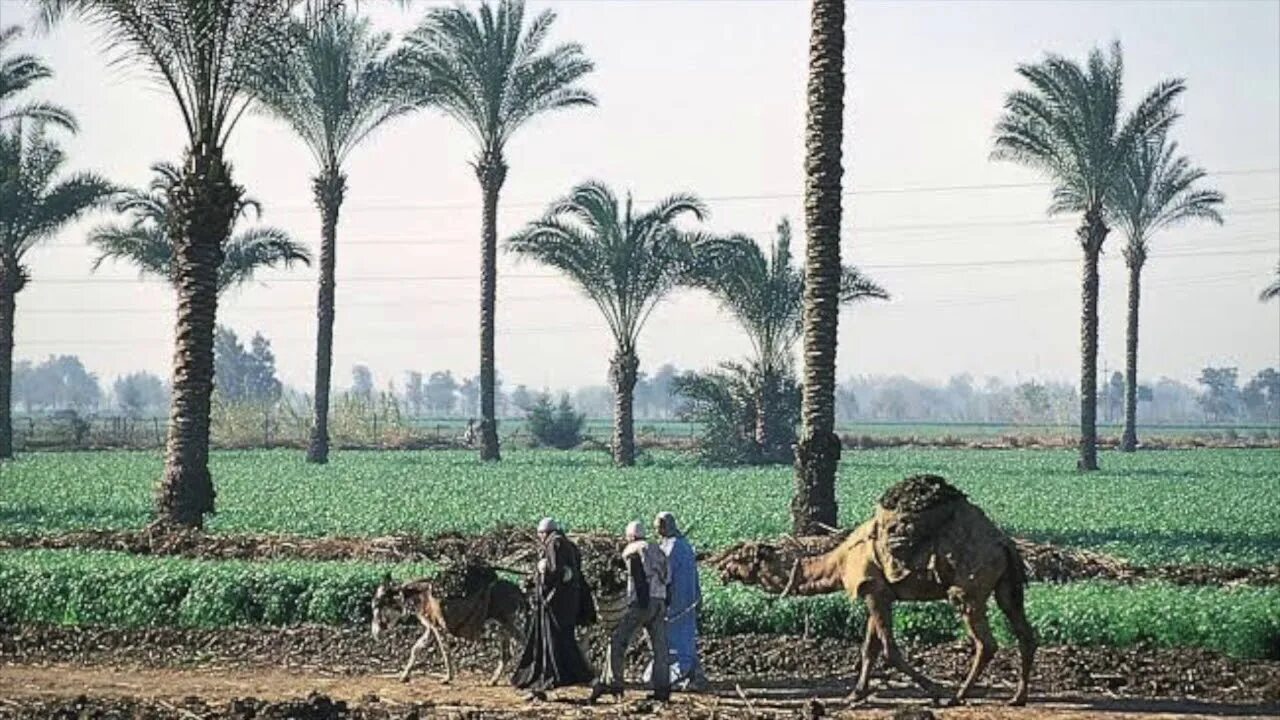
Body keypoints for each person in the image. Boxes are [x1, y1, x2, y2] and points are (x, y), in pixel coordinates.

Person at [588, 520, 671, 704]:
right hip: (660, 601)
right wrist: (665, 601)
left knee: (618, 641)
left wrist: (640, 603)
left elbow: (638, 576)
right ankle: (662, 691)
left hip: (643, 602)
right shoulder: (658, 549)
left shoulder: (632, 550)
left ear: (631, 536)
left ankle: (614, 683)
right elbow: (667, 576)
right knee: (660, 648)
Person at [511, 517, 593, 700]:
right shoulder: (569, 545)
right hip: (568, 604)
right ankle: (571, 676)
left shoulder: (554, 544)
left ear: (544, 533)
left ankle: (554, 678)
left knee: (553, 641)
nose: (540, 537)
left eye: (540, 534)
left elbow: (555, 572)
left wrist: (542, 572)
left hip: (555, 604)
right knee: (563, 639)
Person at [644, 510, 706, 690]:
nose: (657, 531)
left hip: (674, 602)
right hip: (689, 599)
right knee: (686, 637)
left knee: (672, 640)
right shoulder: (685, 545)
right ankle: (694, 674)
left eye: (658, 527)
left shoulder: (671, 548)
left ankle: (677, 674)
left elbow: (664, 575)